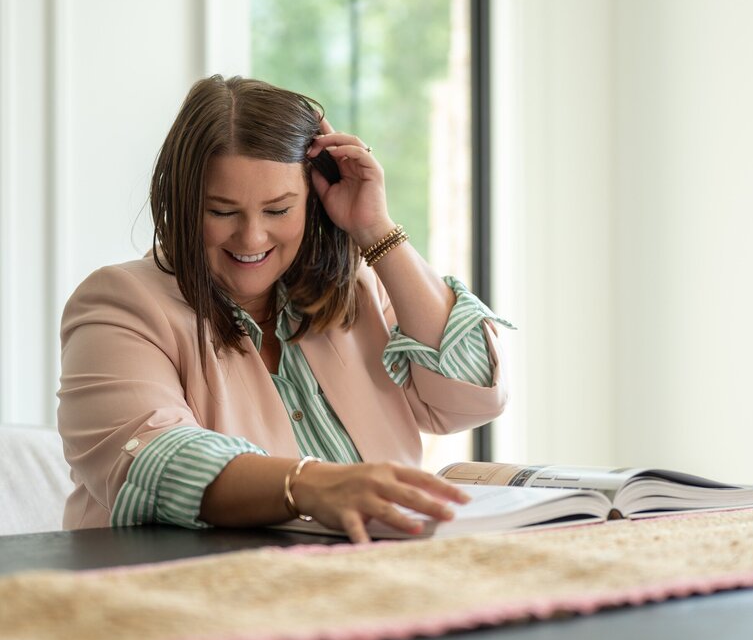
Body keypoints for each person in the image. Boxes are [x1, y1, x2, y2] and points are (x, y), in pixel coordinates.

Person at [58, 75, 511, 544]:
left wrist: (375, 229)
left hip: (377, 574)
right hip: (196, 583)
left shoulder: (354, 289)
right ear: (184, 202)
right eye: (222, 211)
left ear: (311, 202)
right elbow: (156, 464)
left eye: (277, 210)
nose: (251, 238)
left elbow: (470, 394)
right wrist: (312, 485)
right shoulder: (118, 304)